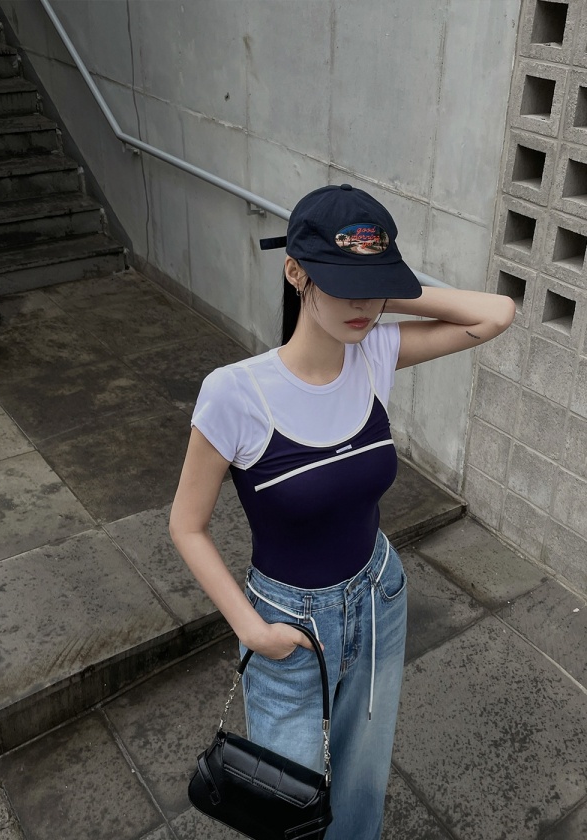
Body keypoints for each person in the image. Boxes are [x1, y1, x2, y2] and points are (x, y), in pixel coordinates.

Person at [170, 184, 515, 839]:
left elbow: (495, 314)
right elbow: (186, 526)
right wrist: (253, 631)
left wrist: (383, 286)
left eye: (373, 287)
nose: (363, 305)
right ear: (295, 272)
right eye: (344, 284)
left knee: (361, 785)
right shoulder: (234, 393)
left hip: (378, 597)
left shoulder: (375, 353)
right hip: (285, 624)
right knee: (287, 805)